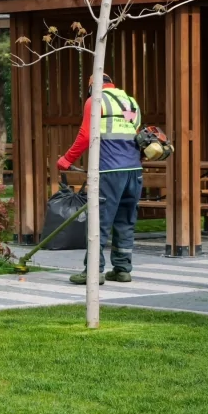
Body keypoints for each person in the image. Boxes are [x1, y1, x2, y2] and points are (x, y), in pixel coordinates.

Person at [57, 74, 143, 285]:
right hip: (134, 171)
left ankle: (94, 272)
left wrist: (67, 159)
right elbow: (138, 135)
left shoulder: (95, 100)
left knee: (99, 222)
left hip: (109, 172)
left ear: (91, 87)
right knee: (125, 221)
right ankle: (122, 269)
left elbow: (86, 135)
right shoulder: (131, 102)